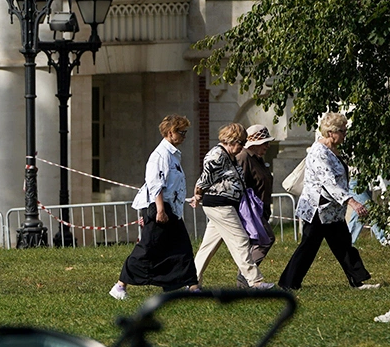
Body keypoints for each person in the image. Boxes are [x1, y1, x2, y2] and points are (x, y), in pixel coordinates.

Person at [278, 113, 378, 291]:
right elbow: (329, 182)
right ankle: (288, 283)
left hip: (331, 210)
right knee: (308, 247)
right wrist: (353, 203)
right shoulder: (319, 153)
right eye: (342, 131)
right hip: (317, 209)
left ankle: (357, 281)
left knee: (344, 245)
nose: (345, 134)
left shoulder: (333, 150)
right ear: (331, 132)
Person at [109, 115, 199, 300]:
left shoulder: (173, 155)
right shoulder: (160, 155)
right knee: (148, 248)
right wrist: (160, 210)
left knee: (182, 248)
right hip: (159, 208)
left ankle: (193, 287)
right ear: (170, 133)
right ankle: (119, 286)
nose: (184, 136)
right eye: (181, 132)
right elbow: (155, 184)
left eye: (185, 132)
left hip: (171, 209)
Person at [191, 123, 274, 290]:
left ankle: (191, 282)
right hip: (220, 205)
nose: (243, 147)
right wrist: (197, 195)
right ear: (231, 141)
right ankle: (255, 281)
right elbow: (204, 179)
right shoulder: (216, 155)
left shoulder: (230, 155)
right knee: (241, 240)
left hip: (225, 204)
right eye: (241, 143)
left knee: (208, 246)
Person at [235, 124, 279, 288]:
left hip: (261, 208)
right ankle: (245, 276)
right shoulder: (244, 157)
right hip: (251, 210)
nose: (267, 146)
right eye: (264, 143)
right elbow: (239, 184)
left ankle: (245, 277)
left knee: (258, 241)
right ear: (253, 142)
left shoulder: (258, 159)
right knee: (265, 239)